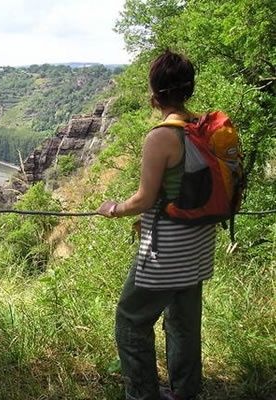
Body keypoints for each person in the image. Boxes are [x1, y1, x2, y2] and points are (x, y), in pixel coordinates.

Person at [97, 50, 217, 400]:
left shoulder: (161, 137)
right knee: (183, 322)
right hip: (199, 244)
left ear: (154, 94)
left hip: (165, 249)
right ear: (189, 90)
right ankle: (185, 392)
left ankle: (142, 395)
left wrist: (114, 208)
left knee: (130, 319)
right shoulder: (203, 129)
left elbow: (145, 199)